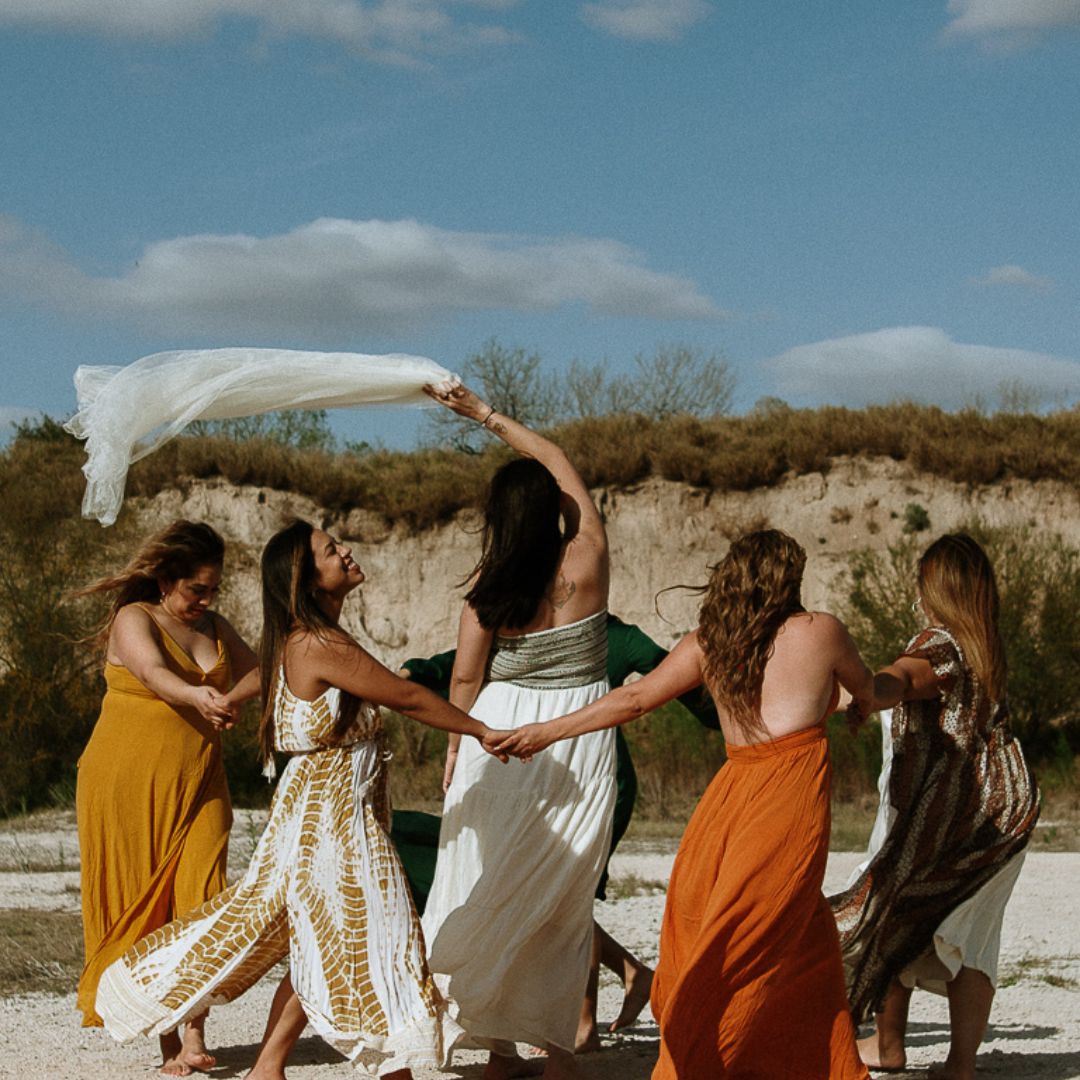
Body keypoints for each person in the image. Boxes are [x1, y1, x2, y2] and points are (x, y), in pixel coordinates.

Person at [95, 520, 506, 1080]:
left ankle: (269, 1067)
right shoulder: (318, 643)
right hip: (332, 820)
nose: (346, 553)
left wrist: (228, 702)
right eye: (331, 551)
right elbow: (407, 696)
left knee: (325, 934)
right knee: (379, 930)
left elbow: (262, 676)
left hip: (323, 813)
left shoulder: (300, 641)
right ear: (306, 580)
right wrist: (482, 731)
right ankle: (394, 1071)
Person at [495, 529, 875, 1080]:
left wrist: (546, 731)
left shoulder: (709, 642)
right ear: (787, 578)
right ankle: (701, 1058)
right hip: (785, 799)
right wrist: (854, 704)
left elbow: (632, 699)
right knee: (750, 931)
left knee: (782, 931)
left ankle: (815, 1063)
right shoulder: (821, 630)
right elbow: (862, 687)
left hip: (729, 796)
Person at [396, 614, 719, 1051]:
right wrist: (417, 671)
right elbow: (466, 660)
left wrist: (726, 714)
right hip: (533, 769)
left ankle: (581, 1023)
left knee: (566, 893)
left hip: (590, 777)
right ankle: (626, 975)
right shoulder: (533, 623)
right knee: (546, 888)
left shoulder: (616, 636)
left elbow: (670, 673)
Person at [418, 381, 617, 1080]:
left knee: (485, 877)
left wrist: (454, 743)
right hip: (578, 731)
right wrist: (487, 417)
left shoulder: (488, 581)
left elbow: (466, 679)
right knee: (562, 893)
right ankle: (556, 1051)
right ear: (554, 510)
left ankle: (497, 1050)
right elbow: (560, 460)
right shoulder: (588, 556)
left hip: (496, 733)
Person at [829, 533, 1040, 1080]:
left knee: (892, 905)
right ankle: (951, 1063)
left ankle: (891, 1044)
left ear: (937, 589)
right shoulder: (985, 647)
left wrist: (867, 689)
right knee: (968, 935)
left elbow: (905, 678)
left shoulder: (940, 643)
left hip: (958, 816)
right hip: (1005, 814)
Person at [75, 519, 256, 1076]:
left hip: (200, 778)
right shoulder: (135, 618)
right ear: (164, 580)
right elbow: (154, 673)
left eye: (213, 589)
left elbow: (262, 672)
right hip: (126, 782)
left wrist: (228, 697)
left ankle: (196, 1029)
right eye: (195, 589)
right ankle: (167, 1037)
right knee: (148, 908)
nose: (205, 600)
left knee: (203, 899)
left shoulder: (218, 626)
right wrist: (198, 696)